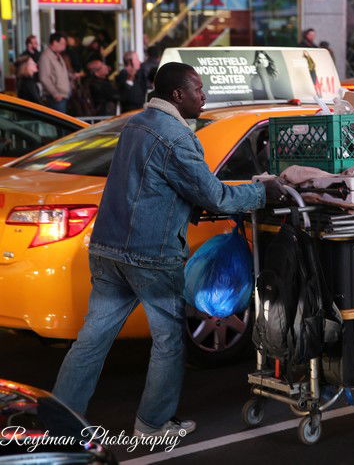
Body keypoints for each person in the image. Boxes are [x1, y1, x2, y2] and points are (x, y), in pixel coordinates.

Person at [52, 62, 284, 439]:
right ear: (178, 95)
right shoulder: (175, 137)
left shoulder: (135, 125)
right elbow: (215, 195)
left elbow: (154, 185)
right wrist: (262, 192)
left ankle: (60, 421)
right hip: (151, 256)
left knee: (92, 340)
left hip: (108, 249)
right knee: (168, 341)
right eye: (197, 89)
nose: (203, 95)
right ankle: (153, 424)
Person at [39, 32, 72, 112]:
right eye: (62, 43)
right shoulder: (46, 57)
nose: (65, 46)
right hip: (55, 98)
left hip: (63, 96)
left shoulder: (59, 56)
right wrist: (55, 94)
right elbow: (44, 77)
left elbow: (60, 74)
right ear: (54, 43)